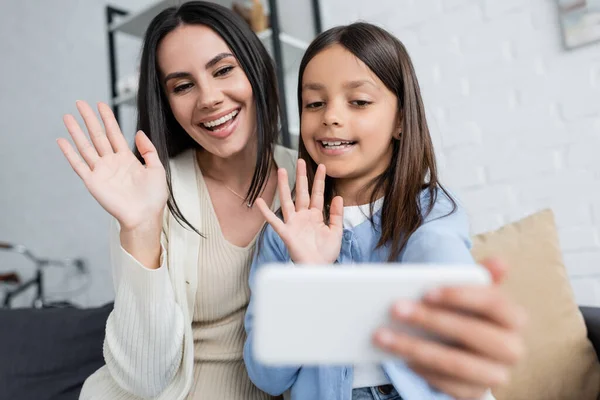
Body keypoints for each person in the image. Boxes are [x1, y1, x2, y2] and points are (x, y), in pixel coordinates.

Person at [243, 22, 527, 400]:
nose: (330, 116)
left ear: (400, 120)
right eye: (314, 103)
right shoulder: (285, 232)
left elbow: (439, 259)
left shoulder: (431, 211)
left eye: (358, 101)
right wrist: (307, 278)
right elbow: (268, 377)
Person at [56, 2, 296, 399]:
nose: (209, 97)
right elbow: (142, 378)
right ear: (166, 103)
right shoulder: (149, 192)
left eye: (223, 70)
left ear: (255, 68)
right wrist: (141, 227)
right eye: (183, 86)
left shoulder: (311, 175)